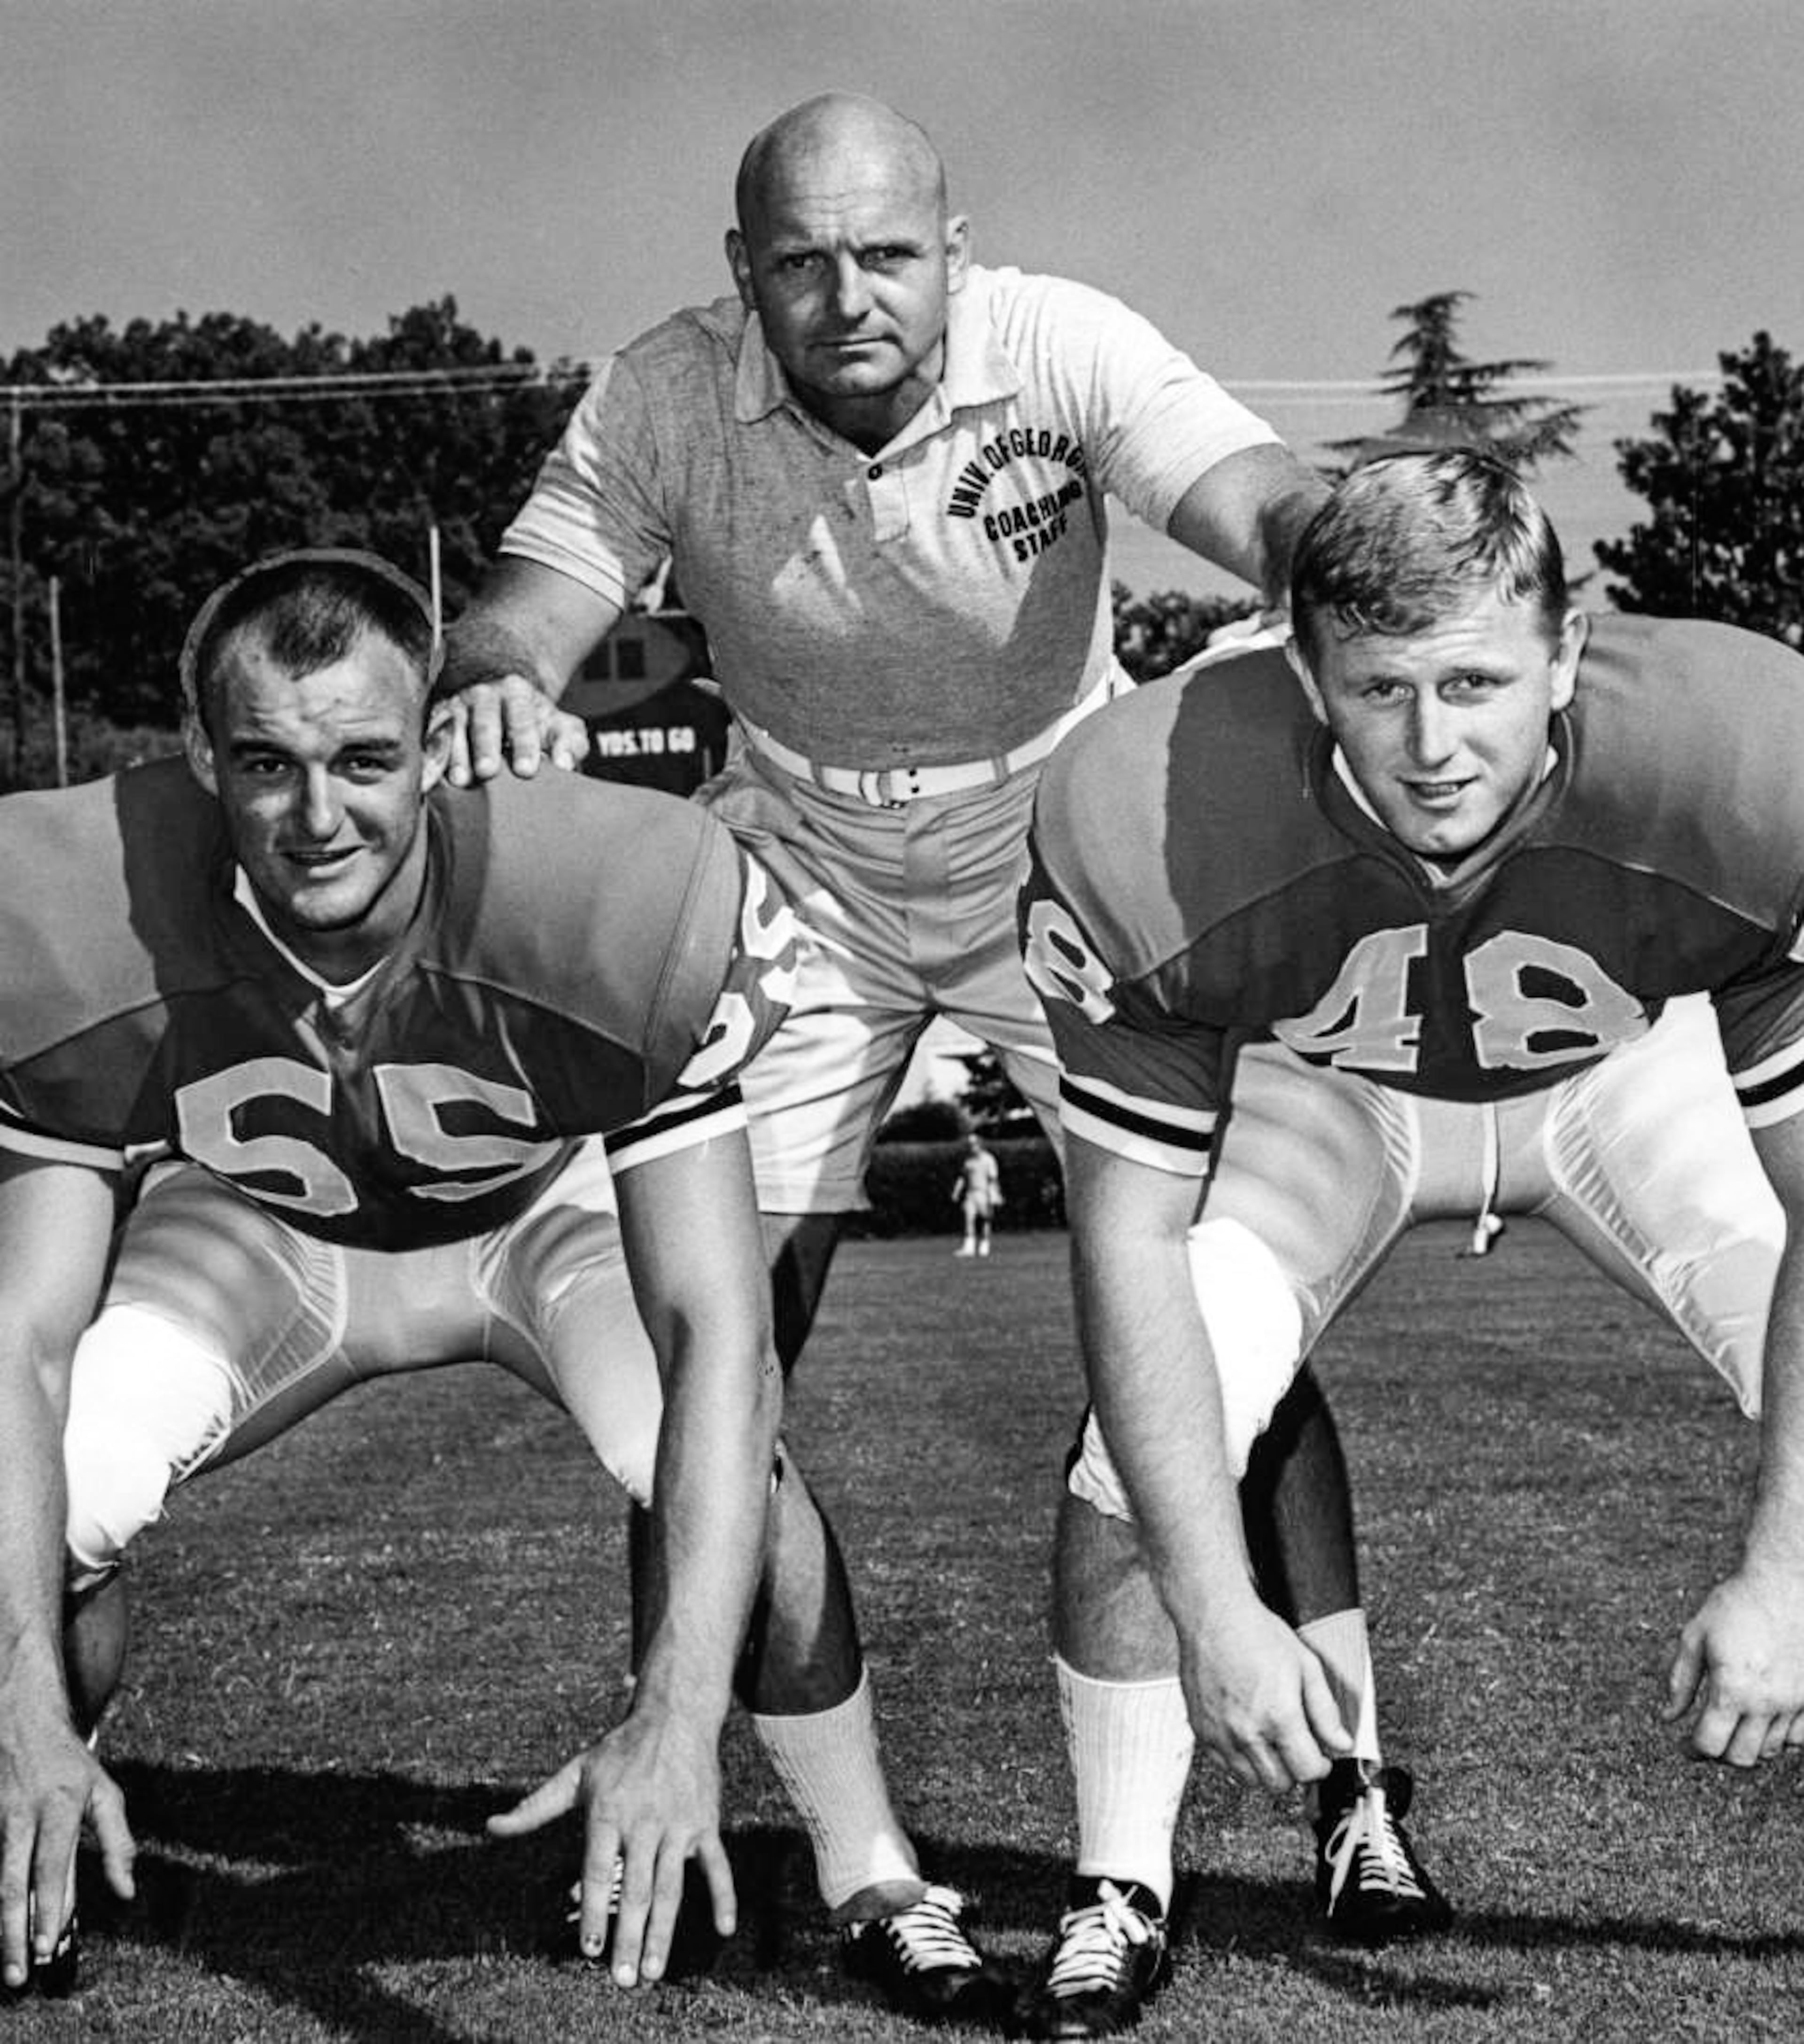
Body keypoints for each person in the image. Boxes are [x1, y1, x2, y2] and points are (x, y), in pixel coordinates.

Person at [437, 90, 1355, 2011]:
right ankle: (842, 1861)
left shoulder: (1065, 341)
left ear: (959, 244)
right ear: (740, 271)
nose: (849, 296)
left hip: (1062, 831)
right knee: (718, 1357)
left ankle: (1259, 1815)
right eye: (801, 261)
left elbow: (1249, 495)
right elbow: (527, 605)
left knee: (1201, 1296)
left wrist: (1349, 571)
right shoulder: (665, 394)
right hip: (803, 862)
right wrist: (503, 679)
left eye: (888, 253)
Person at [1012, 447, 1804, 2036]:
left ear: (1571, 653)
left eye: (1478, 681)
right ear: (1303, 673)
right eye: (1381, 689)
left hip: (1621, 1081)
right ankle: (1119, 1880)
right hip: (1336, 1096)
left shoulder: (1749, 756)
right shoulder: (1147, 810)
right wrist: (1220, 1607)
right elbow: (1130, 1244)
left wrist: (1787, 1574)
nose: (1435, 744)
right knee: (1134, 1466)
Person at [0, 548, 839, 2003]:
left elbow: (718, 1326)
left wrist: (676, 1713)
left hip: (536, 1215)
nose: (317, 815)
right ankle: (34, 1818)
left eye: (364, 759)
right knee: (55, 1478)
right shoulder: (70, 901)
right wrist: (20, 1704)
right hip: (267, 1227)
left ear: (437, 748)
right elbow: (19, 1341)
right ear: (199, 753)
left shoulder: (604, 884)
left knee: (730, 1477)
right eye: (264, 762)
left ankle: (870, 1863)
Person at [952, 1132, 1003, 1257]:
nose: (971, 1147)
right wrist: (956, 1192)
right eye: (970, 1145)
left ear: (980, 1145)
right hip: (971, 1194)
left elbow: (993, 1179)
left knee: (986, 1220)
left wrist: (996, 1195)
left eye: (974, 1144)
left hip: (984, 1194)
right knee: (969, 1220)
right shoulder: (969, 1161)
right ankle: (969, 1248)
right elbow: (963, 1178)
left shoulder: (988, 1159)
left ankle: (984, 1247)